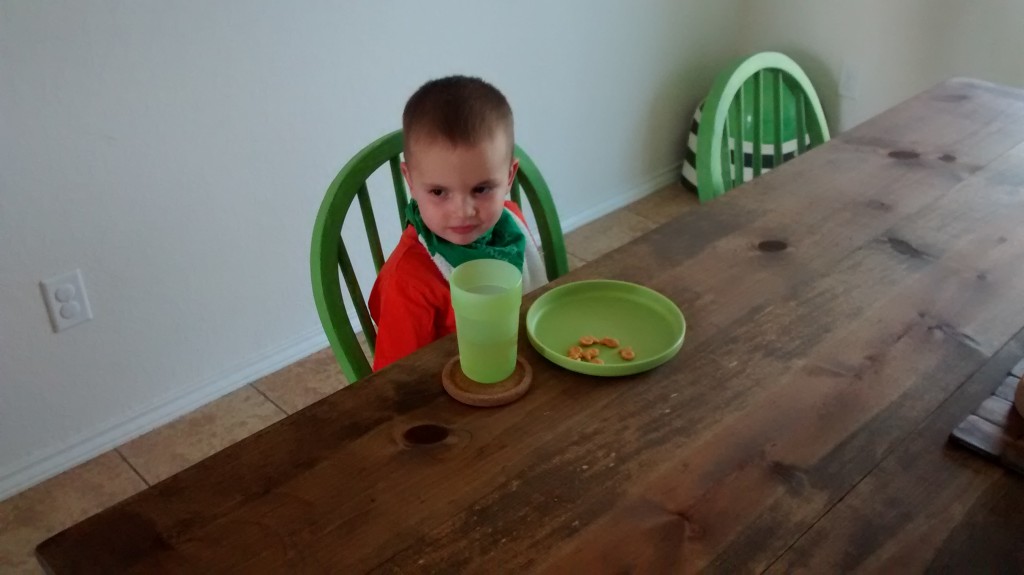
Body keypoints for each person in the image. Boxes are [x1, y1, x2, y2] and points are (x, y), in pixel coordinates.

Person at [368, 75, 547, 371]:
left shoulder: (512, 220)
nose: (463, 212)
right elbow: (396, 380)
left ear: (509, 177)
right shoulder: (408, 283)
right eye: (439, 192)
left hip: (524, 367)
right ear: (410, 181)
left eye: (481, 189)